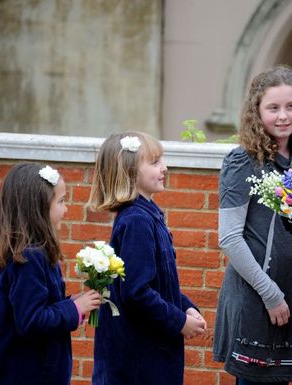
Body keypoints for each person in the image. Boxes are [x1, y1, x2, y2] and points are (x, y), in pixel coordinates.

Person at [213, 65, 292, 385]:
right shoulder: (242, 160)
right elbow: (230, 237)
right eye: (272, 108)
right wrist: (271, 294)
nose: (283, 116)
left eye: (291, 106)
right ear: (256, 111)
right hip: (257, 294)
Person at [89, 131, 206, 385]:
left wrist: (185, 306)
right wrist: (179, 322)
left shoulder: (147, 215)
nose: (164, 168)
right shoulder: (137, 220)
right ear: (130, 172)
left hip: (149, 353)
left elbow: (159, 282)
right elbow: (137, 292)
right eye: (154, 163)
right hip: (140, 360)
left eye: (161, 160)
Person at [0, 163, 103, 385]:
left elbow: (40, 307)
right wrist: (74, 308)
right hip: (24, 375)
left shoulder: (36, 253)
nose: (66, 210)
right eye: (61, 201)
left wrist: (75, 304)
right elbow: (31, 321)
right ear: (37, 208)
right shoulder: (29, 258)